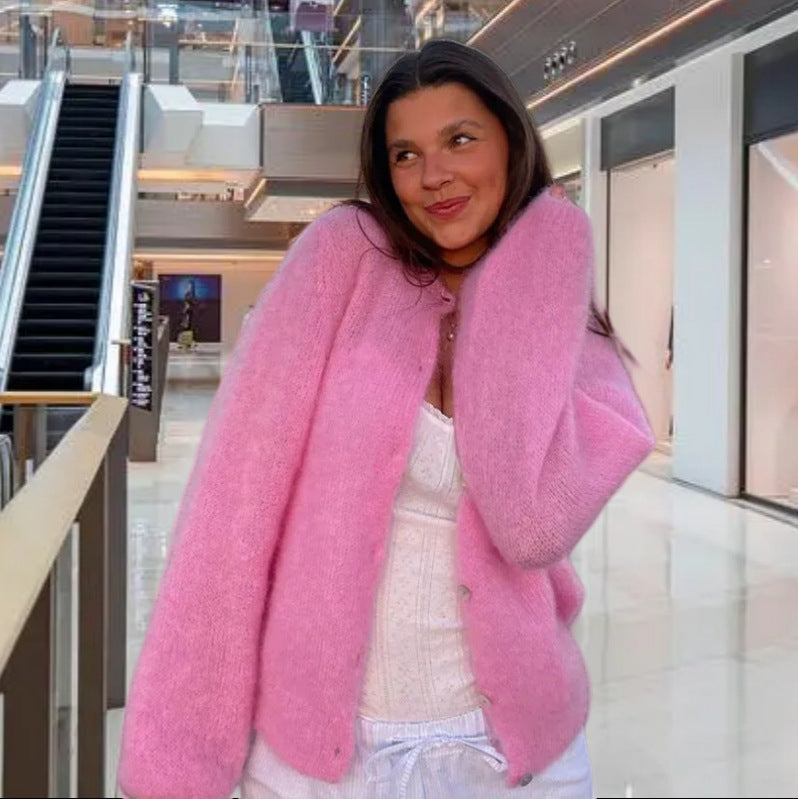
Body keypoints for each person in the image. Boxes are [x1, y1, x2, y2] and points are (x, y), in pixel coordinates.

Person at [118, 39, 654, 799]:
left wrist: (542, 249)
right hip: (327, 756)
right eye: (406, 154)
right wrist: (178, 760)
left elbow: (530, 526)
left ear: (512, 140)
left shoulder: (558, 314)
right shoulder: (343, 256)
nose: (433, 176)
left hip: (514, 752)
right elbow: (232, 509)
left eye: (460, 140)